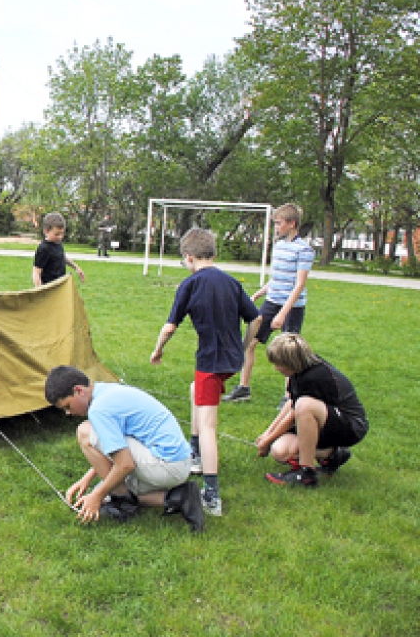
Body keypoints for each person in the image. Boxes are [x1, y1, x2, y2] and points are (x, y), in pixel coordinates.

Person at [150, 228, 261, 516]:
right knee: (193, 392)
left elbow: (170, 326)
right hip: (231, 362)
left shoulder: (190, 284)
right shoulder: (232, 282)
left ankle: (212, 495)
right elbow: (257, 318)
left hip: (211, 363)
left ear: (188, 257)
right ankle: (195, 454)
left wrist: (158, 349)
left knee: (209, 424)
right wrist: (244, 344)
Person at [45, 366, 204, 531]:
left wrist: (97, 496)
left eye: (67, 406)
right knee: (107, 487)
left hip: (167, 466)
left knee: (85, 432)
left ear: (78, 391)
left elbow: (125, 464)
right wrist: (87, 478)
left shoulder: (99, 410)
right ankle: (180, 497)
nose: (68, 413)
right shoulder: (105, 391)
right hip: (180, 461)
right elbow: (115, 444)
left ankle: (122, 504)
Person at [223, 204, 313, 405]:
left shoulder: (304, 250)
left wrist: (283, 313)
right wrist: (258, 294)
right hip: (271, 302)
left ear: (292, 224)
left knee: (288, 352)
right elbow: (278, 278)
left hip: (292, 306)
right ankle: (243, 389)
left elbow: (299, 285)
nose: (276, 227)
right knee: (249, 342)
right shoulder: (280, 246)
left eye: (279, 223)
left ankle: (289, 396)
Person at [255, 333, 367, 487]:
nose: (276, 368)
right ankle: (333, 455)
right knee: (281, 452)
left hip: (350, 426)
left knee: (305, 405)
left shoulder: (316, 376)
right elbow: (291, 404)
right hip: (326, 422)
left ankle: (306, 473)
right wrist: (267, 434)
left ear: (291, 362)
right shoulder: (297, 371)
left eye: (279, 364)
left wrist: (267, 440)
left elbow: (296, 412)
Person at [32, 212, 85, 288]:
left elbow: (61, 256)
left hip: (59, 286)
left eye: (62, 234)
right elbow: (36, 273)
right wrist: (41, 291)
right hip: (48, 288)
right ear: (46, 231)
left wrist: (76, 267)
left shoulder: (57, 243)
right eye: (57, 234)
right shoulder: (44, 249)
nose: (60, 237)